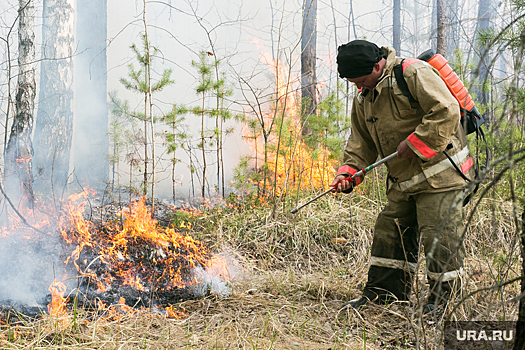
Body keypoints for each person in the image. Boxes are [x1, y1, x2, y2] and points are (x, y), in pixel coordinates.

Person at [332, 40, 474, 314]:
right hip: (403, 182)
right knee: (390, 230)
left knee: (439, 238)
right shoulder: (364, 96)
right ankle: (384, 296)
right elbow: (360, 143)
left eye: (361, 80)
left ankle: (443, 305)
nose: (359, 87)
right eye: (354, 83)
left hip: (441, 177)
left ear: (377, 65)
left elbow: (447, 110)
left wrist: (415, 142)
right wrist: (348, 173)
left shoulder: (412, 73)